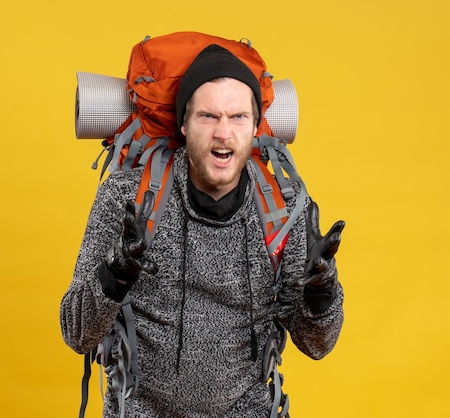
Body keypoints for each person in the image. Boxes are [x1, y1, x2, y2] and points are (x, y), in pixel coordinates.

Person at [60, 43, 345, 418]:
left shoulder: (284, 212)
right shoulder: (128, 198)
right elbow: (77, 332)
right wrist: (116, 272)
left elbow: (316, 345)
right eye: (208, 116)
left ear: (256, 126)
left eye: (238, 117)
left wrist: (322, 295)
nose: (223, 133)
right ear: (184, 123)